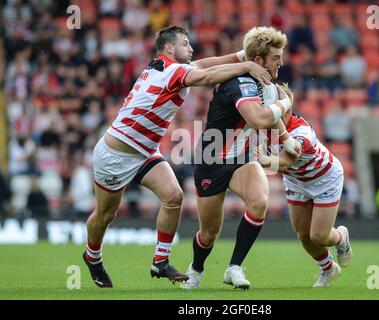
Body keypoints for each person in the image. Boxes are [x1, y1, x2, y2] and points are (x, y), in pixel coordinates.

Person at [82, 25, 272, 288]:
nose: (191, 47)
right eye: (185, 43)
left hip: (145, 151)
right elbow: (207, 76)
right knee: (105, 214)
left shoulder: (168, 67)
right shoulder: (173, 71)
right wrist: (247, 67)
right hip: (117, 153)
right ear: (170, 48)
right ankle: (92, 256)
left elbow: (207, 64)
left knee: (173, 197)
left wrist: (244, 56)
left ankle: (160, 262)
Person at [181, 26, 301, 290]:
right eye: (275, 57)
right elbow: (259, 117)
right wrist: (286, 103)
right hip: (212, 159)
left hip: (242, 157)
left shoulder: (265, 83)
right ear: (257, 61)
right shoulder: (241, 82)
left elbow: (270, 114)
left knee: (259, 202)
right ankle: (196, 269)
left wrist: (285, 138)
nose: (281, 62)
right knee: (209, 233)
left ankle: (234, 267)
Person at [253, 99, 353, 288]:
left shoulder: (301, 132)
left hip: (324, 179)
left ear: (287, 110)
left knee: (319, 236)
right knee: (303, 235)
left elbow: (284, 163)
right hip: (297, 181)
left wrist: (263, 160)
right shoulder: (263, 127)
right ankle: (329, 269)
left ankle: (341, 238)